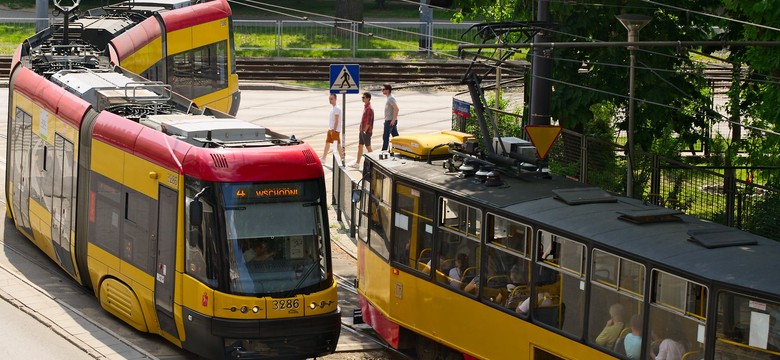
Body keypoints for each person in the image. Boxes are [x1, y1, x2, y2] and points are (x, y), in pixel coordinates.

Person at [351, 92, 374, 169]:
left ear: (368, 98)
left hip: (366, 132)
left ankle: (374, 163)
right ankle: (357, 163)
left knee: (368, 147)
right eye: (362, 97)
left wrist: (364, 130)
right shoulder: (366, 107)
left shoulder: (369, 109)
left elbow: (368, 121)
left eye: (363, 97)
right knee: (360, 146)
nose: (362, 99)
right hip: (362, 130)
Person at [321, 93, 344, 161]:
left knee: (337, 146)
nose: (330, 100)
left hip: (335, 130)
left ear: (335, 99)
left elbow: (337, 120)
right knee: (327, 143)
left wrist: (334, 129)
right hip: (331, 129)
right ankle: (323, 158)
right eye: (329, 99)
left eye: (331, 99)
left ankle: (342, 159)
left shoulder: (337, 108)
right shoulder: (333, 108)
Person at [380, 83, 399, 151]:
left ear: (388, 90)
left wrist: (393, 120)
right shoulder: (389, 98)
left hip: (390, 121)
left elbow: (396, 109)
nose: (382, 91)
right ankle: (399, 148)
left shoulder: (391, 98)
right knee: (396, 136)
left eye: (383, 89)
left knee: (385, 137)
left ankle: (384, 150)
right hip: (389, 120)